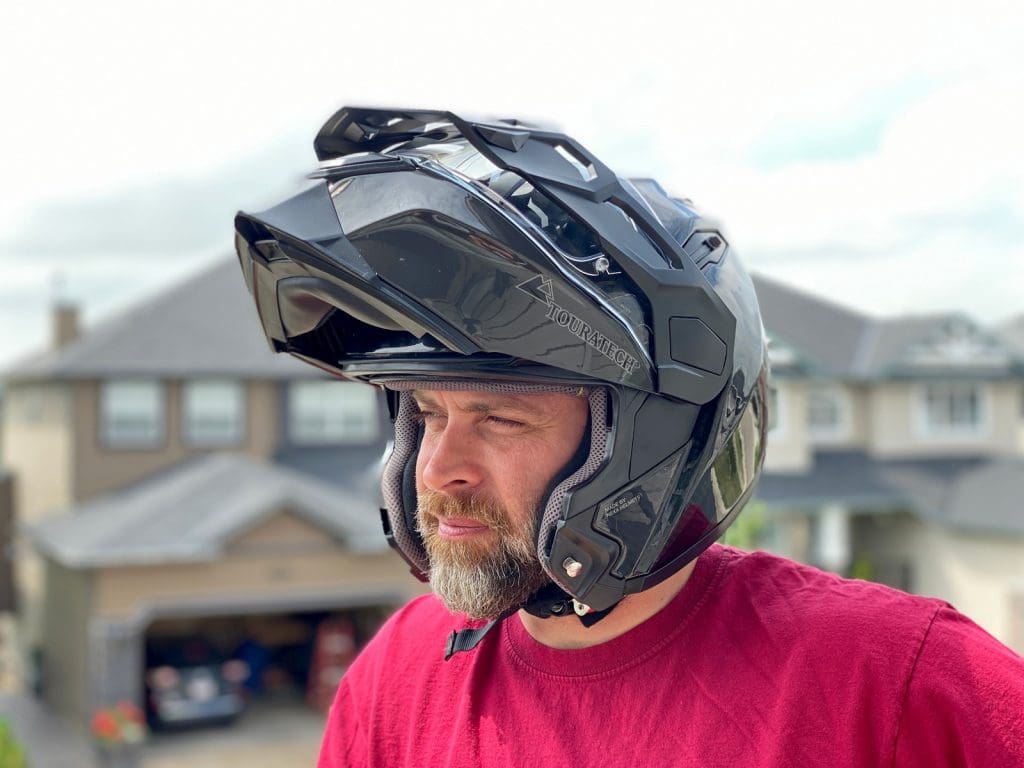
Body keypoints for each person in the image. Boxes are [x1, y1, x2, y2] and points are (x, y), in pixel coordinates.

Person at [234, 107, 1024, 767]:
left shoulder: (891, 681)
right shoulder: (395, 680)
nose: (438, 471)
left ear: (651, 446)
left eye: (501, 418)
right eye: (428, 415)